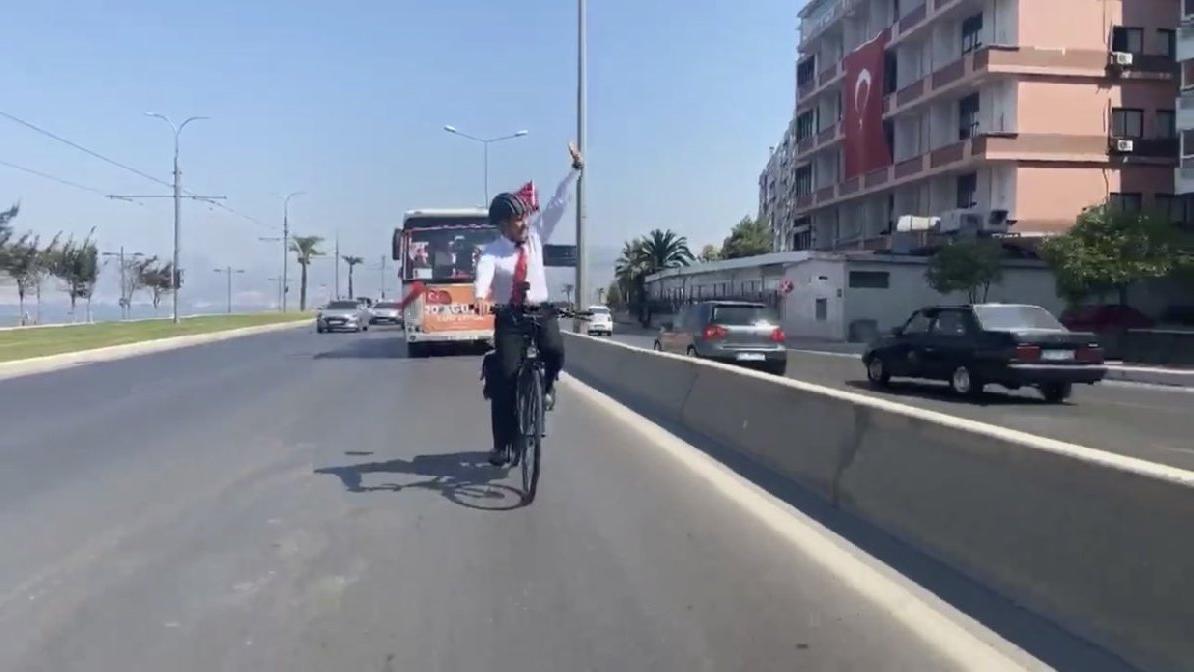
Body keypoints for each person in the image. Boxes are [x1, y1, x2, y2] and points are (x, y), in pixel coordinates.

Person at [474, 142, 583, 466]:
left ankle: (547, 387)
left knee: (555, 351)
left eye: (524, 217)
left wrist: (575, 170)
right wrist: (480, 298)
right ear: (503, 225)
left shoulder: (536, 237)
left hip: (540, 310)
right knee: (505, 379)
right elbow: (483, 277)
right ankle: (502, 444)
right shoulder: (492, 252)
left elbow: (558, 204)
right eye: (517, 219)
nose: (524, 222)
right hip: (509, 318)